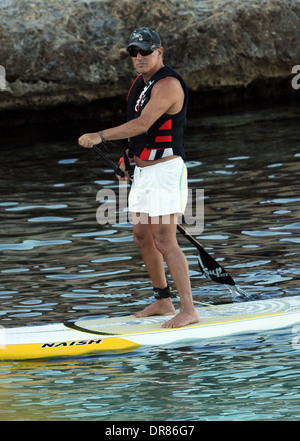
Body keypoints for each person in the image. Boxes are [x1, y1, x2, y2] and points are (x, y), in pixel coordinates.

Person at [78, 27, 199, 328]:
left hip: (166, 171)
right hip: (143, 172)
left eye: (146, 51)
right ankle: (162, 300)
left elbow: (144, 124)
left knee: (164, 239)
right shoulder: (140, 83)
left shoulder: (168, 84)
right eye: (134, 52)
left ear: (160, 52)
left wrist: (100, 135)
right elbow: (137, 134)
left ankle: (188, 309)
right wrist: (126, 161)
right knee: (142, 236)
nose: (139, 56)